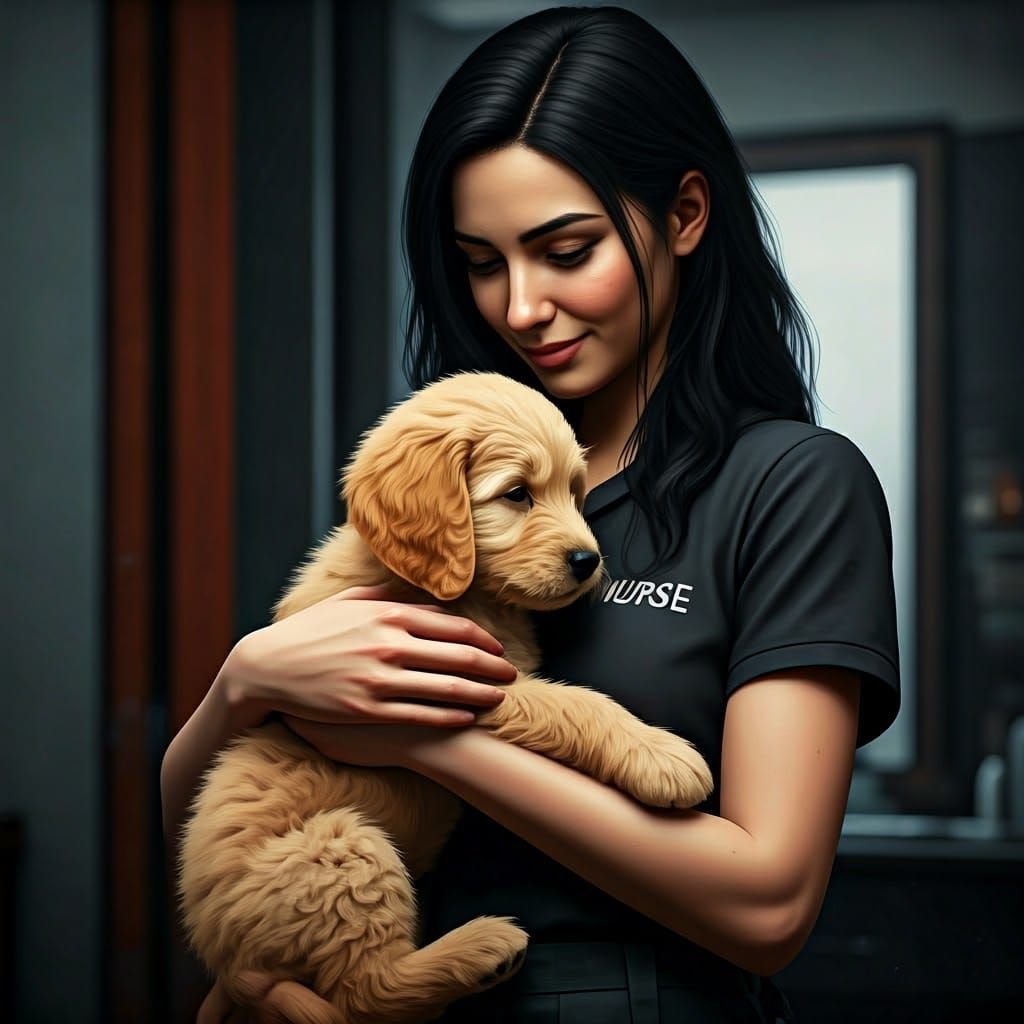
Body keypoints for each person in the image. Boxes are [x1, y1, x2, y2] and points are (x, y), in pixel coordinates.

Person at [165, 6, 901, 1022]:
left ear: (684, 215)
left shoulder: (790, 486)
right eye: (480, 260)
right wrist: (242, 684)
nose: (517, 307)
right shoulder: (451, 465)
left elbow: (767, 902)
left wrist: (425, 736)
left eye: (565, 249)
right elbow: (206, 831)